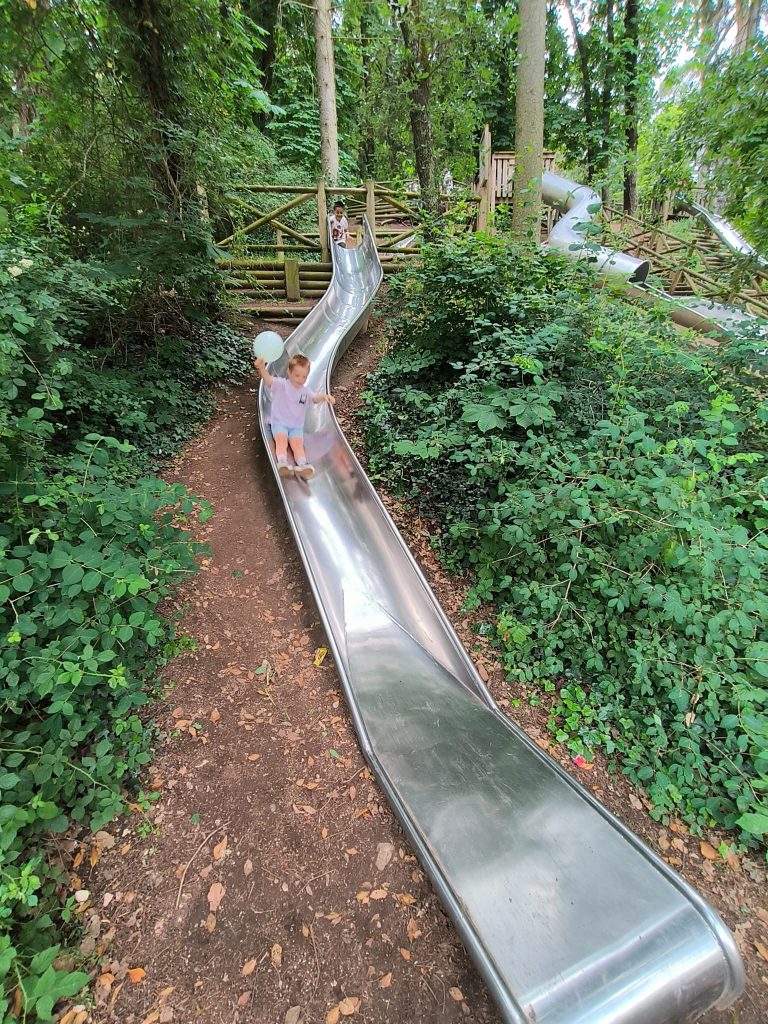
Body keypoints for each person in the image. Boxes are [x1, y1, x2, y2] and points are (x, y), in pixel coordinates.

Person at [254, 352, 335, 480]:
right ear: (289, 372)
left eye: (304, 377)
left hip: (296, 426)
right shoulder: (281, 385)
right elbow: (269, 381)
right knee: (281, 440)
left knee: (297, 444)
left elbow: (314, 398)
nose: (300, 379)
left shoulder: (305, 391)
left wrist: (324, 397)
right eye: (297, 375)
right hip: (279, 422)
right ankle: (282, 462)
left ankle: (303, 465)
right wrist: (262, 368)